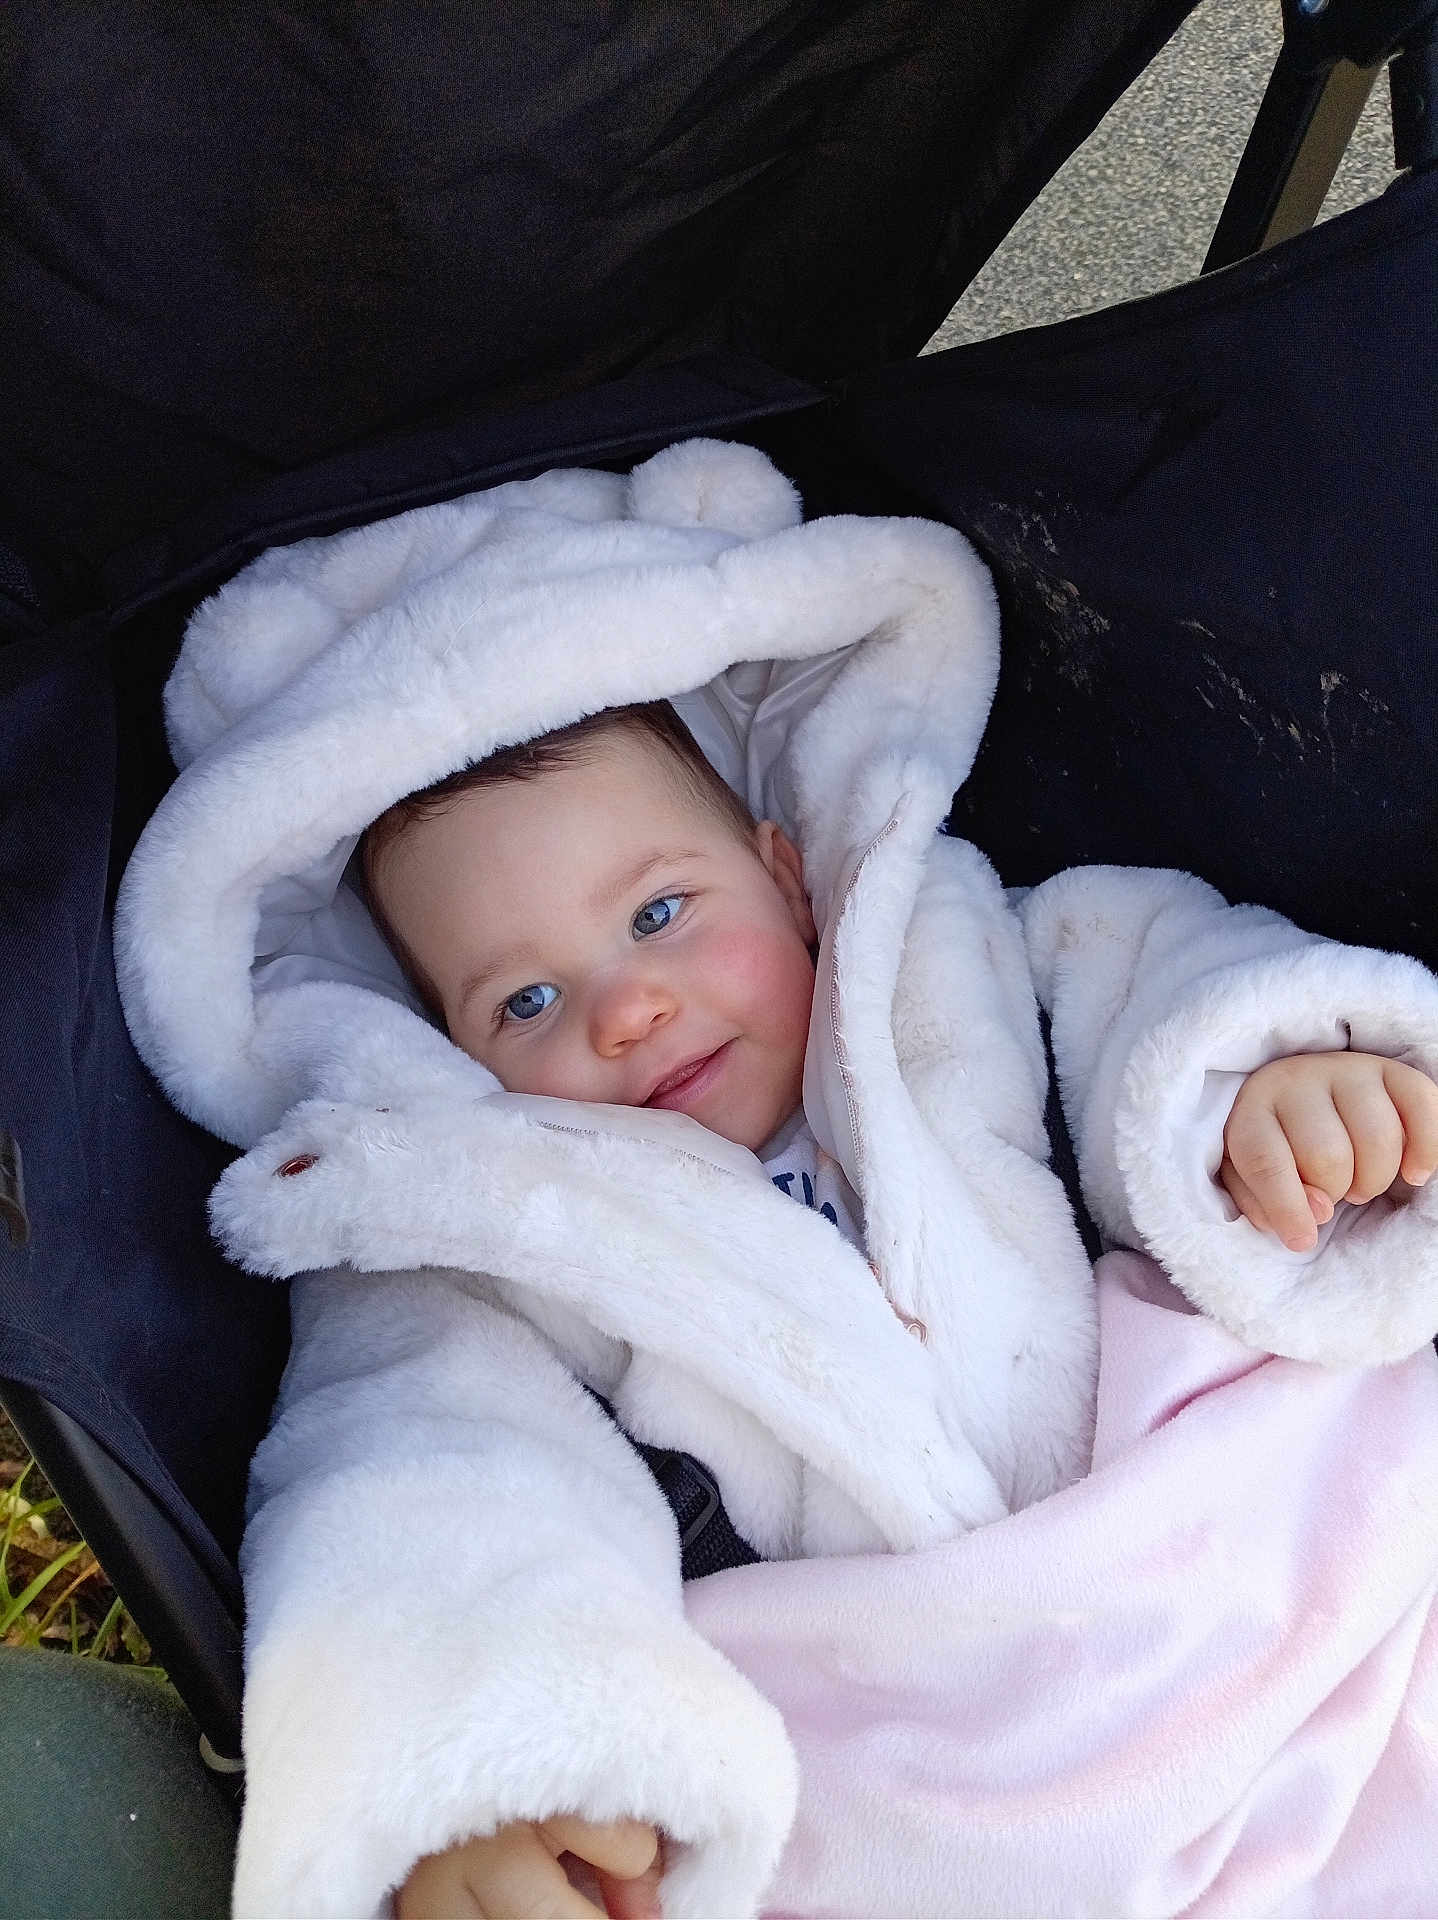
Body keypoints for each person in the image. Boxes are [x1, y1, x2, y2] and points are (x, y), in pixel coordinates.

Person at [115, 439, 1438, 1919]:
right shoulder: (480, 1238)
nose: (628, 1009)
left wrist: (1266, 1086)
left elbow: (1155, 992)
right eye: (524, 1003)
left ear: (788, 872)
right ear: (443, 1062)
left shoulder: (963, 956)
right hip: (926, 1756)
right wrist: (486, 1767)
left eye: (660, 913)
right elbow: (433, 1479)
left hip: (1268, 1571)